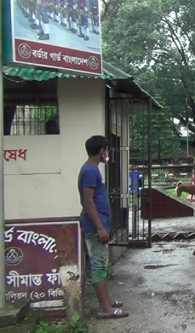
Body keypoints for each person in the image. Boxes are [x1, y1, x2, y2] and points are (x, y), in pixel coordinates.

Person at [78, 135, 129, 319]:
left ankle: (106, 302)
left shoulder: (92, 170)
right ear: (101, 151)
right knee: (98, 266)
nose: (107, 154)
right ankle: (106, 309)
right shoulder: (90, 171)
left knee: (100, 264)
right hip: (94, 227)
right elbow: (88, 201)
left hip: (97, 224)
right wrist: (99, 226)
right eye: (106, 150)